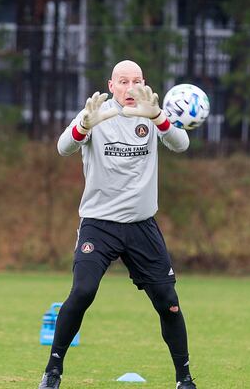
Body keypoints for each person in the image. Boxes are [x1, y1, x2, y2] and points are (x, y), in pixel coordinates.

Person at [38, 60, 196, 389]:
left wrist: (159, 117)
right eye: (122, 81)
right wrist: (84, 123)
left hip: (141, 227)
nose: (129, 88)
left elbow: (181, 144)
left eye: (136, 81)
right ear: (111, 85)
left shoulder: (151, 115)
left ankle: (184, 379)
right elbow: (63, 147)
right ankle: (52, 372)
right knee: (82, 291)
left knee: (169, 303)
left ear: (144, 84)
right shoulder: (97, 114)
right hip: (99, 224)